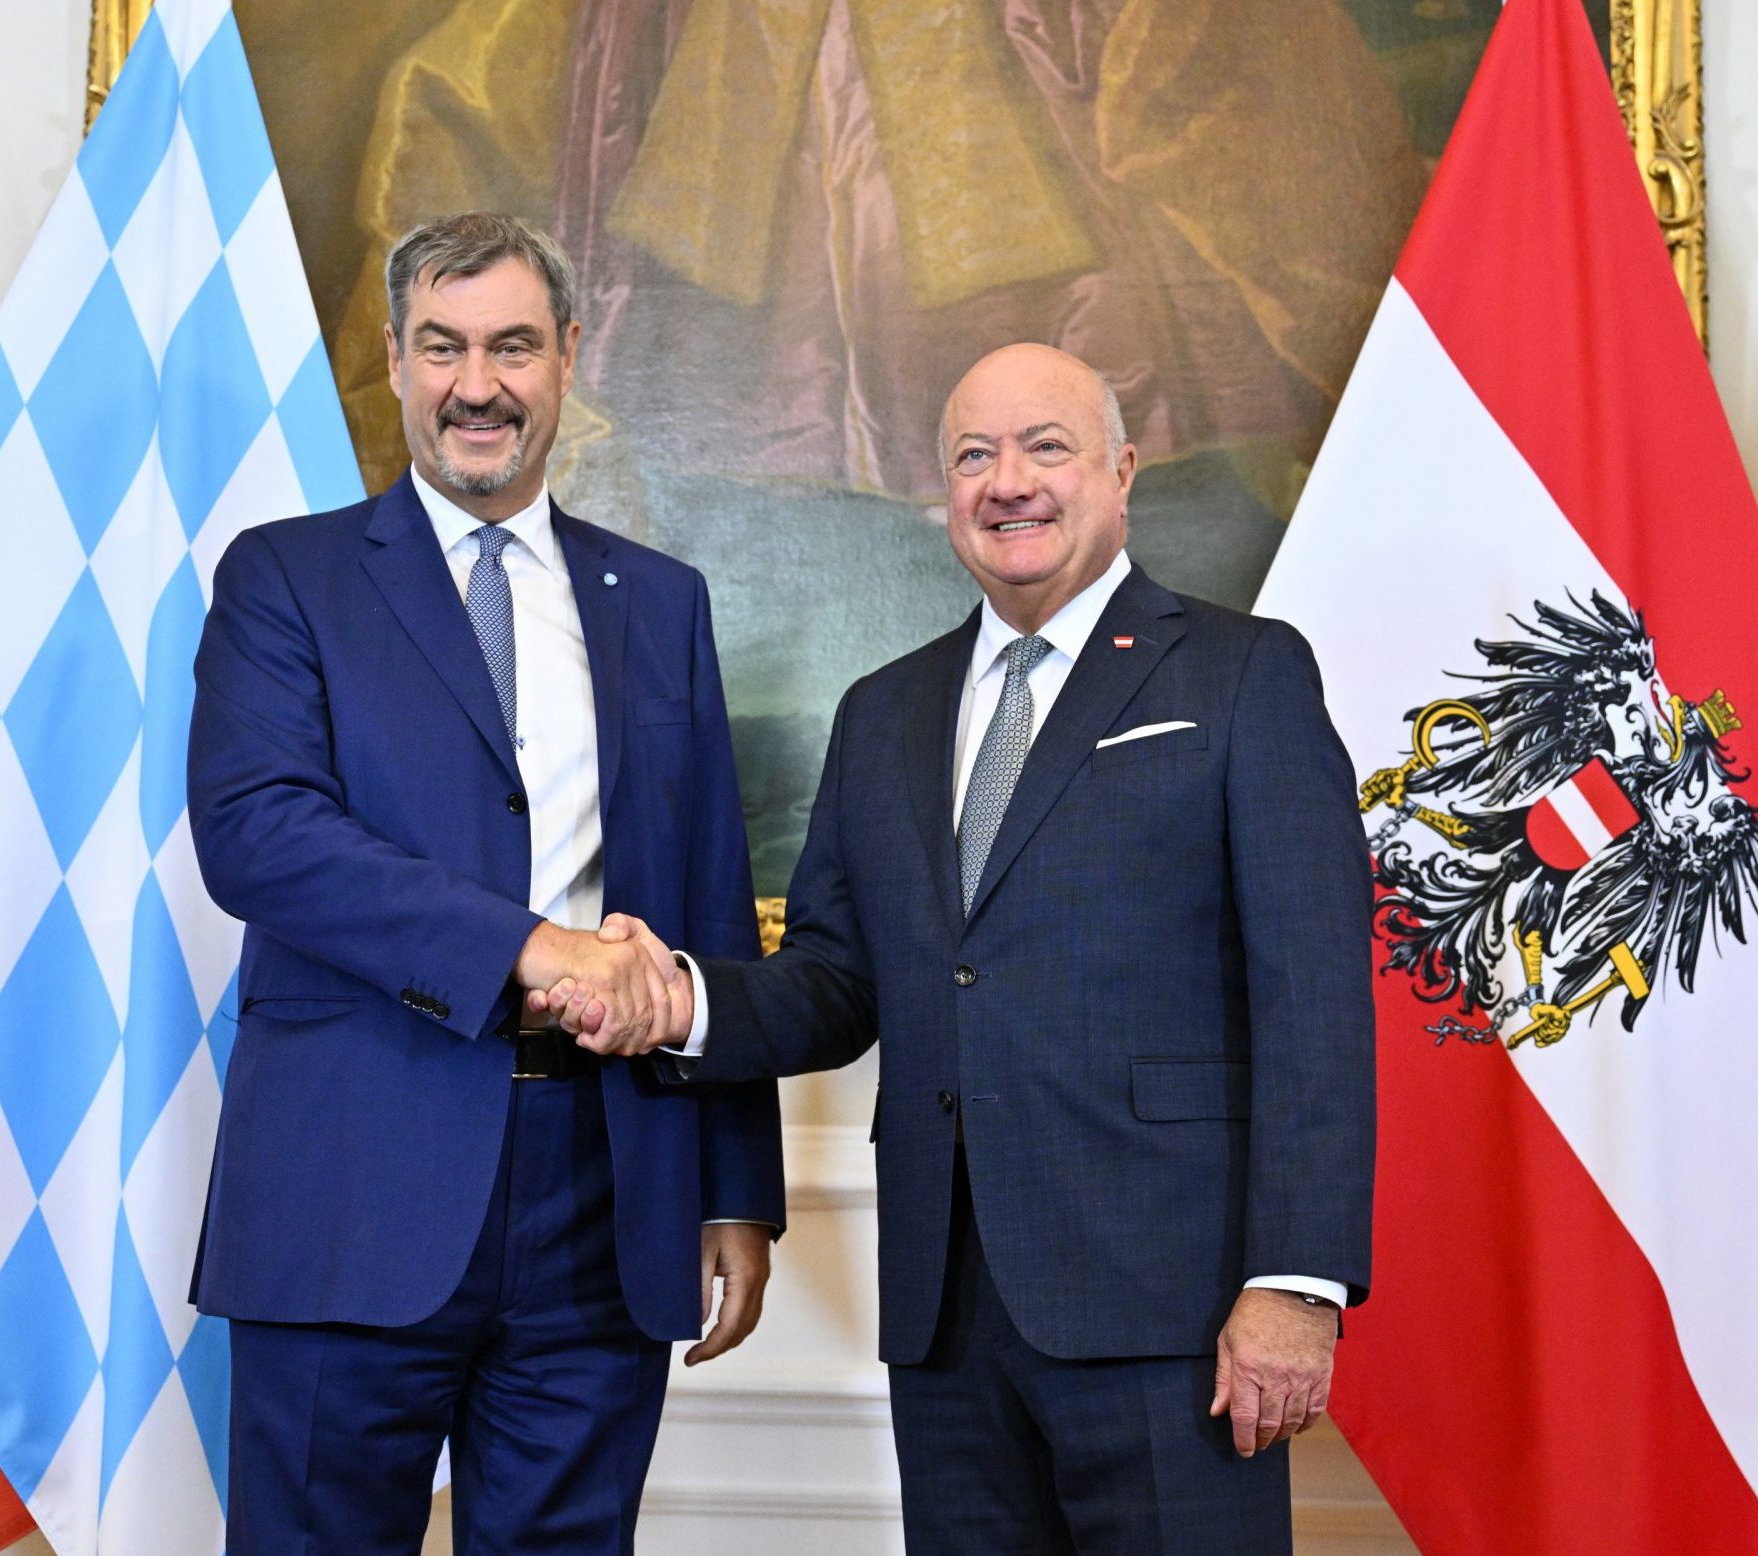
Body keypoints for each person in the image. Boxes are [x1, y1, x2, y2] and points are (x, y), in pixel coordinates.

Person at [548, 343, 1374, 1553]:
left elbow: (1315, 999)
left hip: (1175, 1312)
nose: (1008, 481)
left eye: (1045, 447)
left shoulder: (1245, 673)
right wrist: (679, 1001)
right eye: (973, 455)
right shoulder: (883, 710)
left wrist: (1295, 1282)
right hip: (946, 1314)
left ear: (1121, 471)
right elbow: (835, 981)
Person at [184, 212, 784, 1555]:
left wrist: (734, 1186)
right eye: (442, 347)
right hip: (350, 1181)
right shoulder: (286, 578)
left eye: (511, 346)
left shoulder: (662, 600)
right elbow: (258, 834)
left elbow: (708, 897)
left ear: (567, 355)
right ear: (395, 360)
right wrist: (533, 949)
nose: (476, 385)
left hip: (606, 1193)